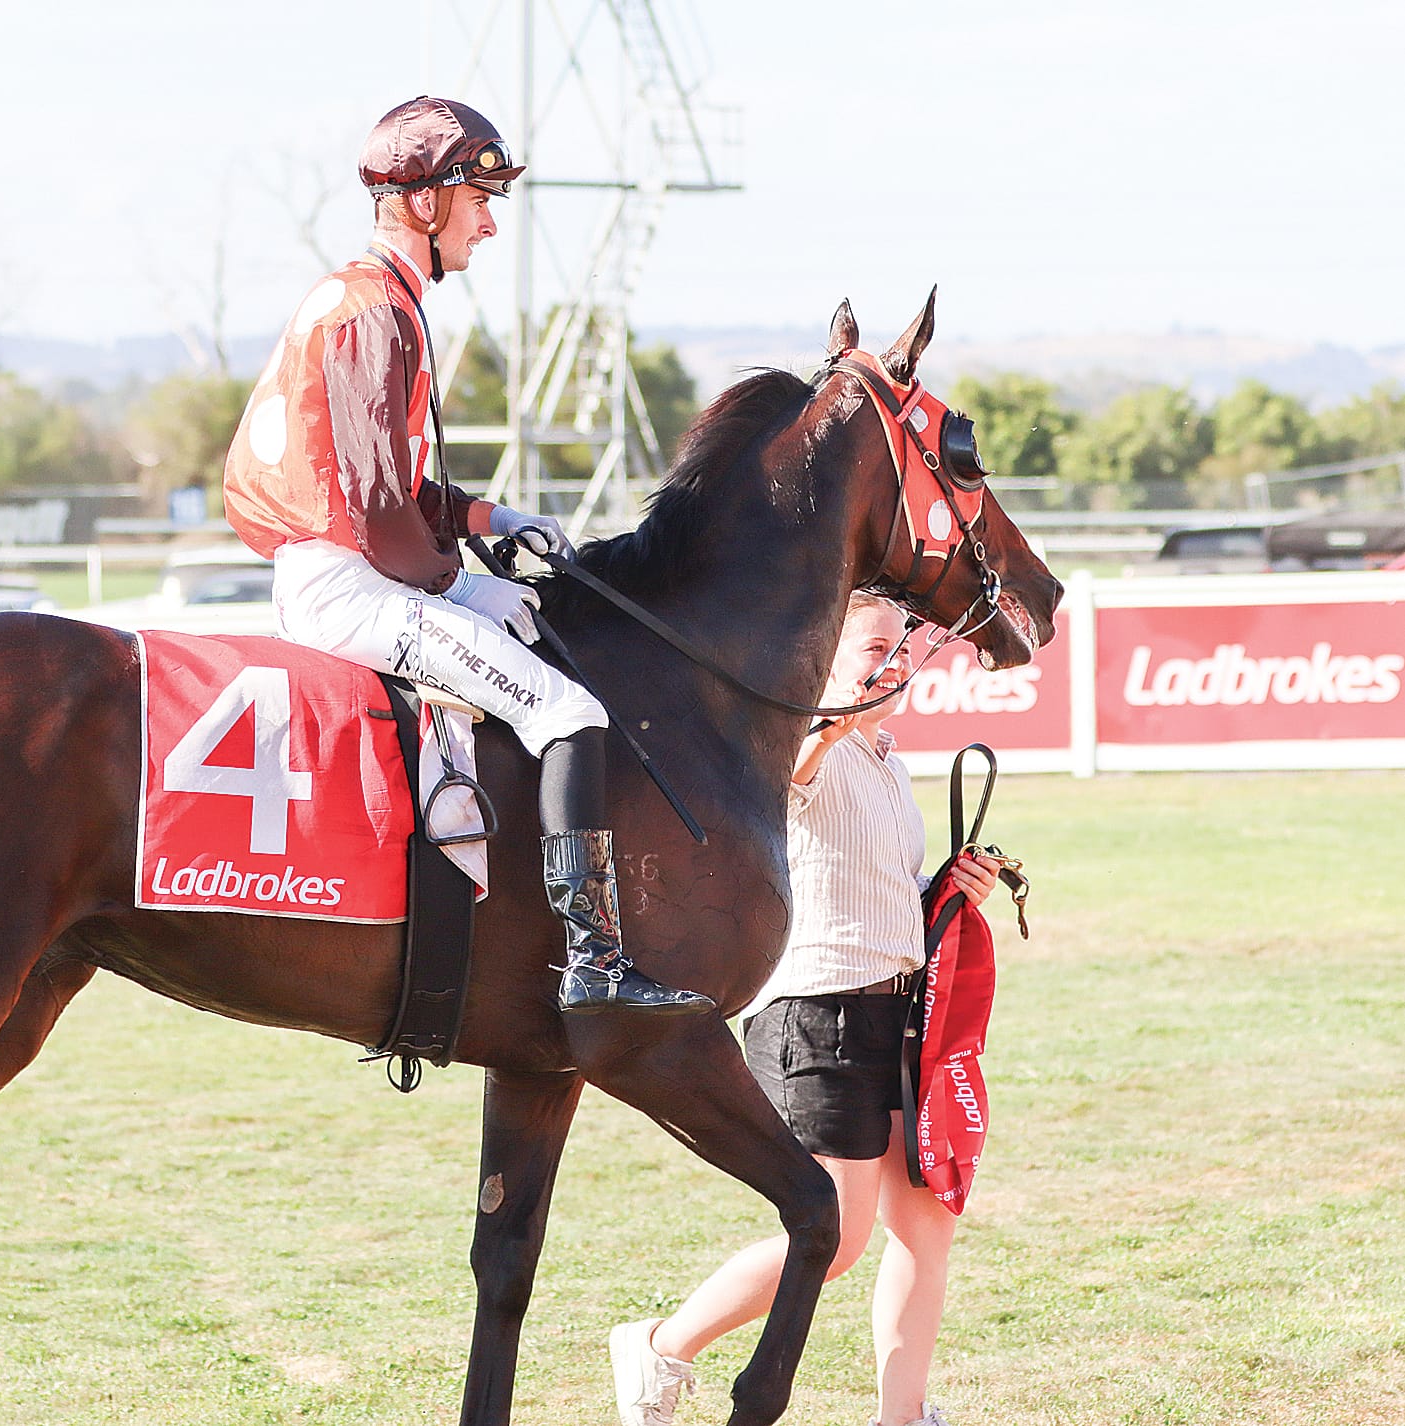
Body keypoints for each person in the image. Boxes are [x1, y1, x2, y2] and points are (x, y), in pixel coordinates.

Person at [221, 95, 710, 1017]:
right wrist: (460, 582)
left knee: (524, 613)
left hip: (352, 568)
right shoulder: (372, 313)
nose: (489, 222)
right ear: (421, 202)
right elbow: (372, 510)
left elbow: (394, 491)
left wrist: (494, 512)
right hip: (348, 583)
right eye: (476, 197)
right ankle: (592, 956)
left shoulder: (378, 301)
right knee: (567, 713)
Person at [608, 591, 1002, 1426]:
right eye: (874, 647)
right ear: (822, 658)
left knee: (925, 1227)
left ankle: (902, 1417)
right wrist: (836, 714)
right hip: (812, 1017)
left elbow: (875, 891)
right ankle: (659, 1345)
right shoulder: (794, 743)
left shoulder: (886, 762)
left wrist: (946, 889)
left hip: (894, 1018)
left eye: (904, 646)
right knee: (834, 1239)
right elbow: (795, 772)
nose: (896, 662)